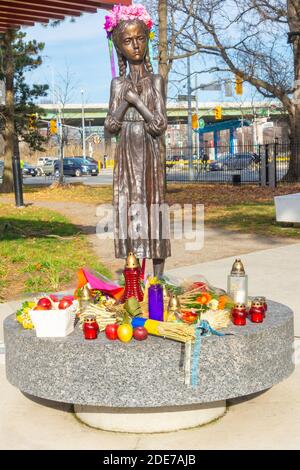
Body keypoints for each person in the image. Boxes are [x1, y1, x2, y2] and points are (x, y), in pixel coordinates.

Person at [104, 5, 171, 278]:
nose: (135, 46)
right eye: (128, 41)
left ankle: (157, 281)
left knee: (154, 209)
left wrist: (138, 103)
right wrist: (123, 104)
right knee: (130, 209)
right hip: (126, 154)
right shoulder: (117, 85)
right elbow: (110, 125)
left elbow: (158, 125)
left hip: (150, 151)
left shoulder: (156, 80)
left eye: (140, 39)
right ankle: (134, 281)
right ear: (120, 47)